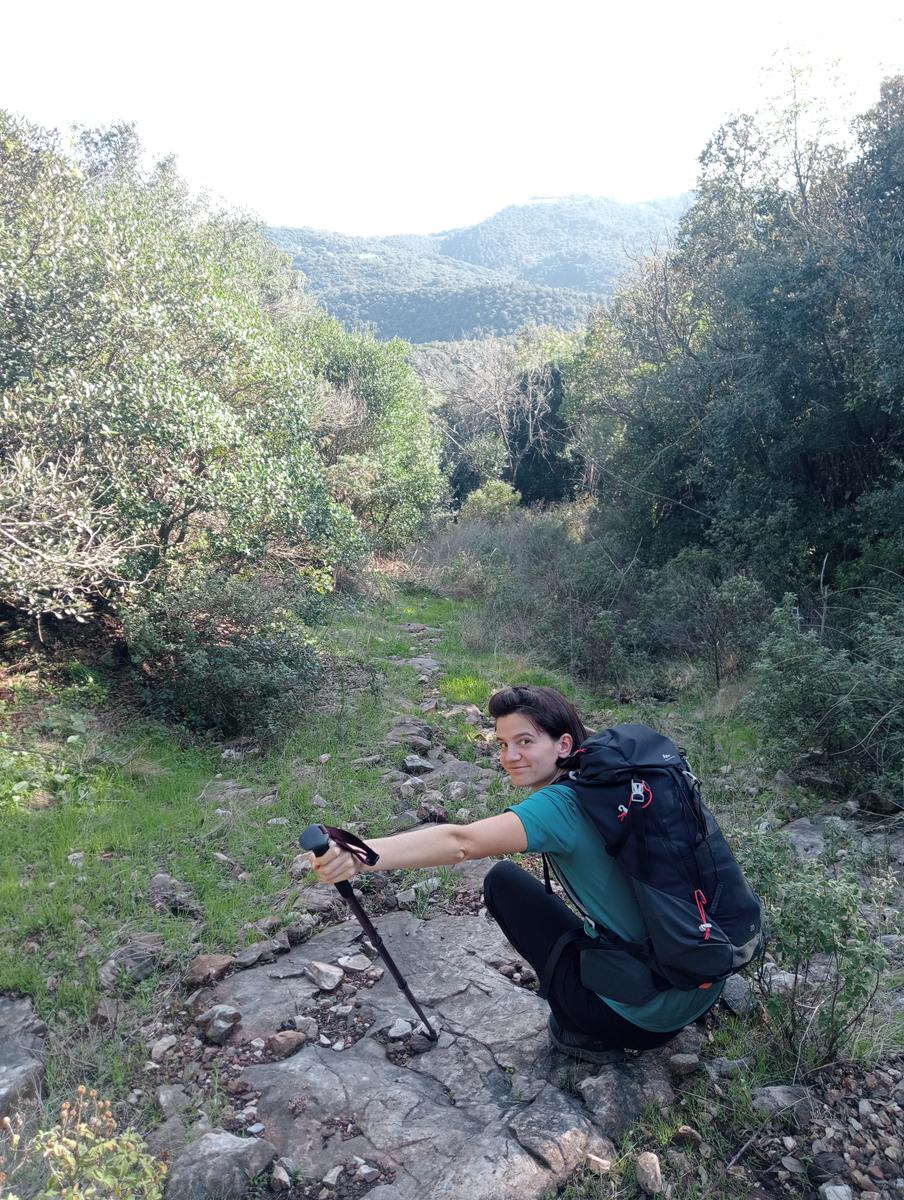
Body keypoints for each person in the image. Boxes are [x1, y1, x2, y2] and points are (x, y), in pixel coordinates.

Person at [310, 684, 721, 1063]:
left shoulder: (559, 806)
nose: (509, 757)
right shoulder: (622, 783)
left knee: (502, 882)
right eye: (504, 744)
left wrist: (363, 853)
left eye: (525, 742)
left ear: (563, 744)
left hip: (637, 1021)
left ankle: (585, 1028)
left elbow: (461, 842)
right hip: (702, 978)